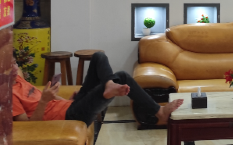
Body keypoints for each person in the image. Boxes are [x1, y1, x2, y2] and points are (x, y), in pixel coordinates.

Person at [12, 52, 183, 126]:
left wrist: (66, 100)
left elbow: (44, 100)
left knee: (98, 57)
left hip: (71, 105)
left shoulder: (18, 79)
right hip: (71, 115)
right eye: (9, 65)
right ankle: (159, 112)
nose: (14, 67)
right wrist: (44, 100)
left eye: (14, 63)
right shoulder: (8, 96)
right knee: (122, 76)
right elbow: (28, 127)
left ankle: (109, 84)